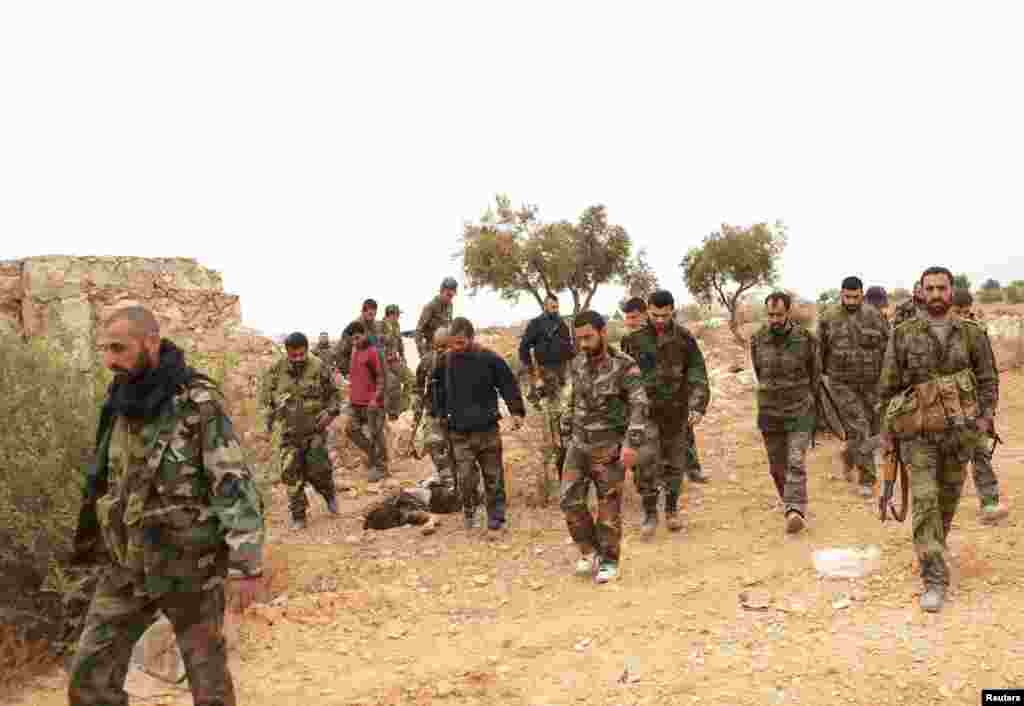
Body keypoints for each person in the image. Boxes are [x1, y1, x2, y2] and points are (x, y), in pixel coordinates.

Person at [68, 306, 263, 706]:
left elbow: (232, 483)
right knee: (89, 676)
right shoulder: (121, 399)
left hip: (189, 567)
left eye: (119, 348)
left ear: (151, 342)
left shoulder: (197, 402)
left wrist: (247, 565)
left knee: (209, 685)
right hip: (129, 564)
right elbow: (104, 477)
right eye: (104, 349)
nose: (109, 360)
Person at [879, 267, 999, 612]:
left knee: (946, 500)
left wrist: (984, 418)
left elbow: (988, 379)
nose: (935, 294)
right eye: (929, 288)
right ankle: (934, 578)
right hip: (918, 437)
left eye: (941, 288)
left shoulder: (972, 334)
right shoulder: (903, 334)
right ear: (920, 292)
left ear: (951, 291)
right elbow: (887, 388)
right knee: (925, 502)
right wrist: (887, 434)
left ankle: (932, 547)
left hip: (960, 435)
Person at [560, 311, 648, 583]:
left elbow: (639, 404)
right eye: (579, 339)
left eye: (588, 337)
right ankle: (589, 551)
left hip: (609, 447)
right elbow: (573, 400)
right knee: (569, 500)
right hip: (578, 444)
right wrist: (565, 429)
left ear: (602, 332)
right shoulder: (576, 364)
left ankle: (610, 560)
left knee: (608, 507)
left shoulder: (625, 365)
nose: (584, 343)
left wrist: (631, 444)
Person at [621, 292, 710, 538]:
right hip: (646, 412)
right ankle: (650, 513)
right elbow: (625, 377)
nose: (660, 320)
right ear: (647, 311)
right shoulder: (633, 340)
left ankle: (671, 510)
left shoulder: (684, 337)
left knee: (675, 463)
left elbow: (697, 372)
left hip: (676, 412)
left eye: (665, 315)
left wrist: (697, 404)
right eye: (655, 315)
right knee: (646, 463)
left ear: (673, 311)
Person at [432, 316, 526, 531]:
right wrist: (439, 414)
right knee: (465, 477)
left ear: (471, 338)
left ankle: (496, 517)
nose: (457, 348)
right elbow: (437, 390)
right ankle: (470, 511)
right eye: (453, 343)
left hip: (487, 429)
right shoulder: (444, 361)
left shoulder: (488, 358)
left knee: (493, 476)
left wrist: (517, 412)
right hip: (459, 432)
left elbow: (507, 384)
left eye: (461, 343)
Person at [750, 291, 820, 534]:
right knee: (776, 467)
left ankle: (795, 509)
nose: (775, 319)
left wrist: (814, 410)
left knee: (795, 461)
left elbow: (815, 375)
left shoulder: (805, 339)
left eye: (779, 314)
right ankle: (788, 501)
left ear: (788, 312)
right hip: (770, 412)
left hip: (799, 409)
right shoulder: (758, 339)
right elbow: (759, 371)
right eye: (770, 315)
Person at [817, 276, 890, 497]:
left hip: (871, 384)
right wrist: (818, 381)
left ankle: (849, 456)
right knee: (860, 427)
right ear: (841, 294)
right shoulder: (828, 317)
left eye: (855, 297)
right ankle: (867, 480)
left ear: (862, 294)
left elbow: (889, 349)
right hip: (842, 385)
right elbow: (818, 352)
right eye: (846, 297)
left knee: (872, 429)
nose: (850, 301)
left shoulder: (874, 316)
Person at [261, 332, 342, 529]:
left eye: (301, 355)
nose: (297, 359)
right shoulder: (275, 371)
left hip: (314, 431)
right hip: (288, 433)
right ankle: (298, 515)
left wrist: (330, 412)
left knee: (318, 470)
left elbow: (335, 394)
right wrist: (268, 425)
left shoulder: (319, 366)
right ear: (287, 352)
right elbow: (265, 402)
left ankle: (329, 493)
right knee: (290, 474)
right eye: (293, 355)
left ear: (306, 350)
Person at [951, 288, 1008, 524]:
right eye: (958, 311)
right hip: (942, 406)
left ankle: (989, 501)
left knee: (980, 452)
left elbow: (988, 373)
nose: (964, 316)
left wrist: (988, 408)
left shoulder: (976, 332)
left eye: (967, 311)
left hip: (973, 404)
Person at [518, 294, 575, 476]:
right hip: (545, 376)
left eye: (556, 306)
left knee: (566, 420)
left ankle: (566, 466)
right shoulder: (536, 324)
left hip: (563, 375)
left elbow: (570, 348)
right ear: (545, 306)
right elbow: (524, 348)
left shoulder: (562, 324)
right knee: (551, 427)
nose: (554, 309)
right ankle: (554, 468)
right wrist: (533, 373)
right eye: (551, 306)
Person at [345, 321, 389, 481]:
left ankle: (382, 467)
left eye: (357, 338)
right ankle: (373, 457)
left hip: (371, 403)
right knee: (350, 430)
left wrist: (376, 399)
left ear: (364, 334)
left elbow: (381, 377)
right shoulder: (354, 350)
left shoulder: (373, 352)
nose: (355, 342)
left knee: (376, 434)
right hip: (356, 402)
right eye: (352, 340)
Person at [410, 326, 453, 482]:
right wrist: (417, 410)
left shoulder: (460, 360)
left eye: (445, 346)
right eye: (439, 347)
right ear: (434, 345)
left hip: (456, 413)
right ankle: (446, 477)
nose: (442, 350)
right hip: (434, 412)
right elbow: (418, 388)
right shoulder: (427, 361)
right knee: (434, 444)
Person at [362, 475, 463, 535]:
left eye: (386, 490)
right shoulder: (396, 504)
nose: (383, 494)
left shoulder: (404, 501)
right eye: (383, 491)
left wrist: (430, 522)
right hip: (438, 498)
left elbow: (427, 515)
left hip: (441, 499)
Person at [335, 299, 385, 378]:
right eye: (369, 312)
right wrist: (347, 372)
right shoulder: (354, 326)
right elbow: (342, 352)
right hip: (354, 365)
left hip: (372, 364)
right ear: (363, 311)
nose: (372, 316)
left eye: (374, 312)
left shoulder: (377, 325)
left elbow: (378, 345)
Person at [382, 304, 415, 419]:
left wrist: (402, 356)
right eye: (397, 315)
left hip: (394, 361)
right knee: (392, 384)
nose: (398, 317)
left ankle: (402, 408)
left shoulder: (396, 325)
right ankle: (390, 412)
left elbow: (399, 342)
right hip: (383, 363)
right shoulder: (379, 326)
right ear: (391, 314)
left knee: (410, 379)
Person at [416, 276, 457, 358]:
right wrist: (423, 354)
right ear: (441, 291)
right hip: (432, 350)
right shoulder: (430, 307)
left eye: (452, 296)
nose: (450, 298)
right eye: (448, 295)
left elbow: (449, 324)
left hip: (446, 348)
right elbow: (418, 331)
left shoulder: (450, 305)